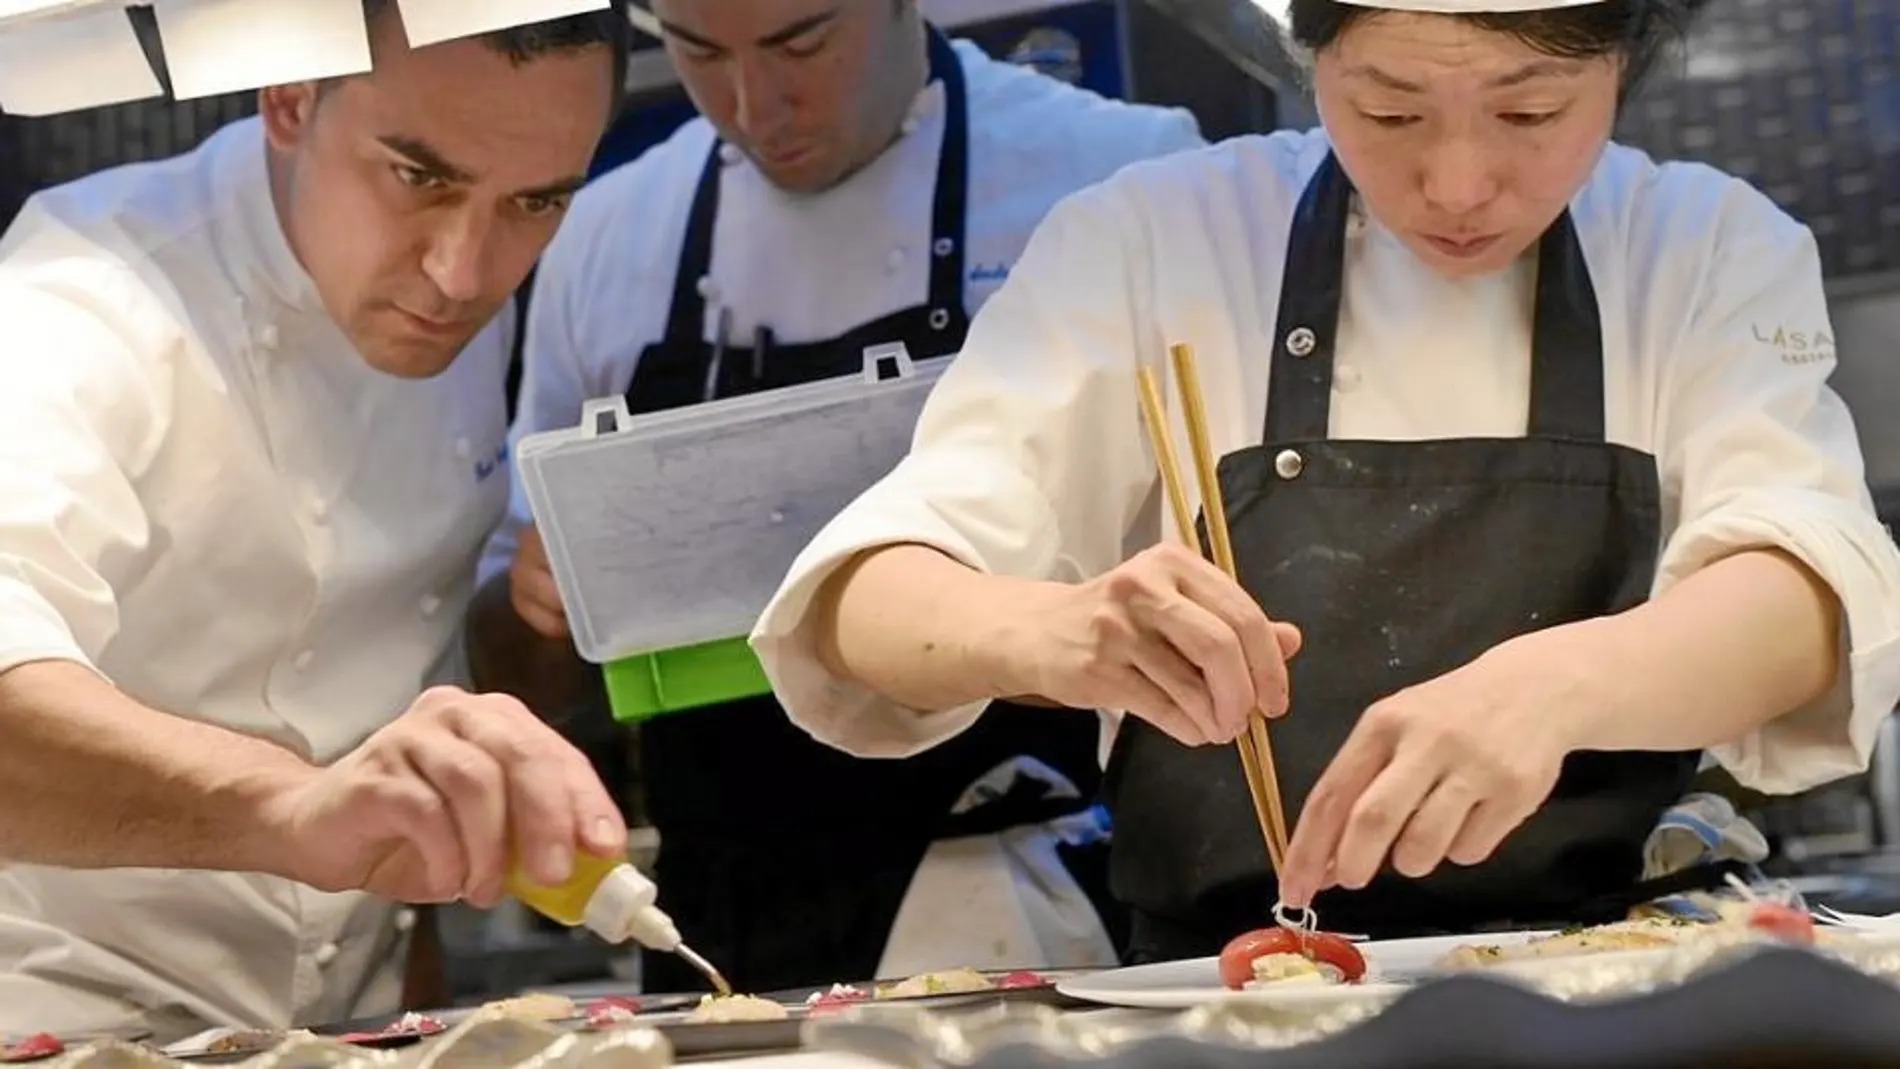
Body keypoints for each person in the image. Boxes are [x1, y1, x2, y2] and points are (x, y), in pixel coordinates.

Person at [748, 0, 1900, 965]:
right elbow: (867, 600)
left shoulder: (1698, 244)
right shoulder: (1158, 239)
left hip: (1619, 978)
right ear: (1311, 59)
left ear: (1623, 65)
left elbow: (1805, 595)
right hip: (1225, 997)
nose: (1455, 183)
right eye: (1387, 109)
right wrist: (1056, 629)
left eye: (1529, 111)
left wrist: (1562, 686)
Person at [467, 0, 1204, 992]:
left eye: (799, 43)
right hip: (721, 912)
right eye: (696, 52)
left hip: (1031, 888)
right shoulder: (605, 232)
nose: (752, 101)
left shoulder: (1114, 174)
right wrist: (542, 598)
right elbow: (515, 666)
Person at [0, 0, 633, 1041]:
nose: (462, 274)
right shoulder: (81, 299)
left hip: (336, 1032)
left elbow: (377, 644)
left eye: (536, 202)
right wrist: (292, 809)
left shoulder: (462, 291)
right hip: (57, 1020)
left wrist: (527, 630)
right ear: (288, 96)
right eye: (419, 178)